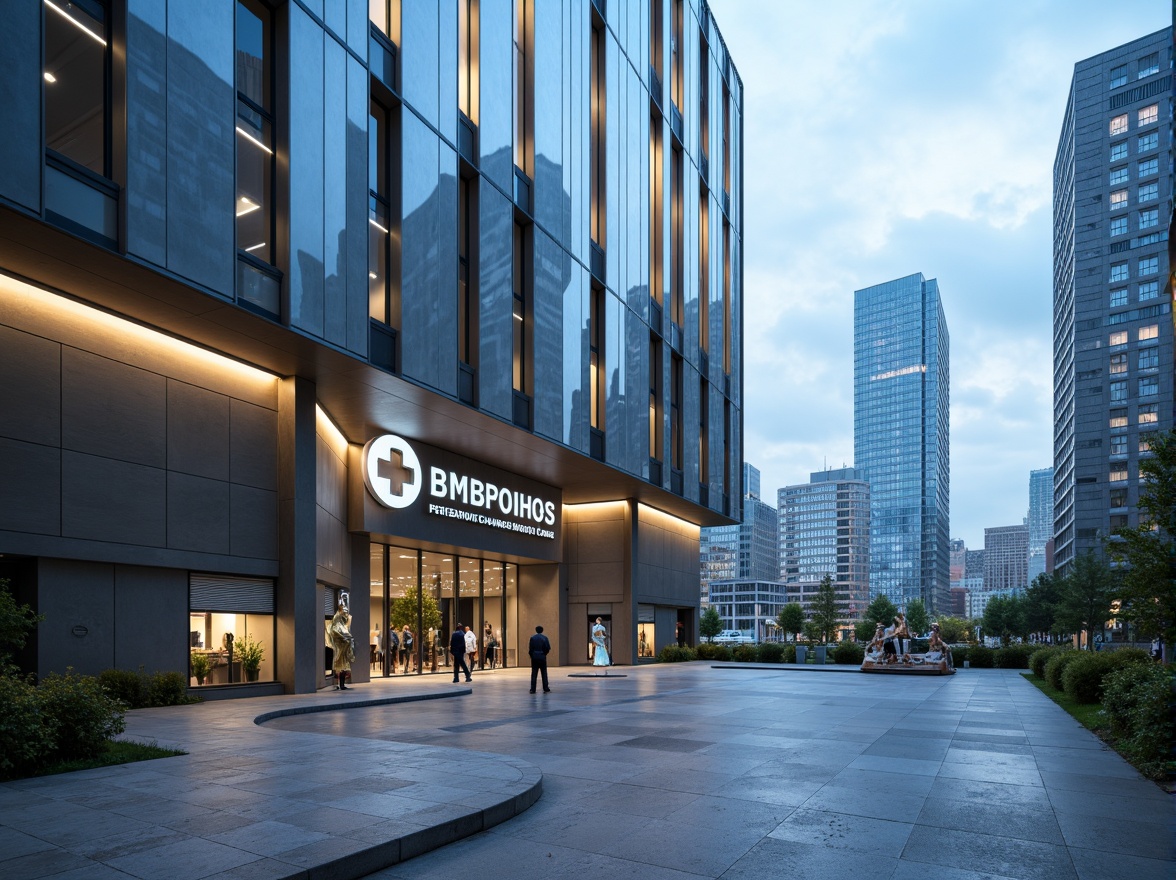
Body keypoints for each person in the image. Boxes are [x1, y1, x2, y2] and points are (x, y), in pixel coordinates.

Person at [329, 600, 355, 690]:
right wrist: (343, 638)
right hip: (340, 649)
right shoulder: (337, 620)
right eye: (345, 611)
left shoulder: (342, 623)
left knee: (343, 667)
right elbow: (334, 632)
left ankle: (342, 684)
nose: (346, 614)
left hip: (343, 649)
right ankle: (339, 684)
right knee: (339, 667)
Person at [528, 625, 552, 693]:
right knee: (544, 673)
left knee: (534, 673)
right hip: (542, 657)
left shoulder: (532, 638)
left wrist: (532, 655)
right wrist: (544, 654)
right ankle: (545, 687)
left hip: (535, 657)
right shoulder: (545, 638)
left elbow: (530, 649)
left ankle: (533, 689)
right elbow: (547, 648)